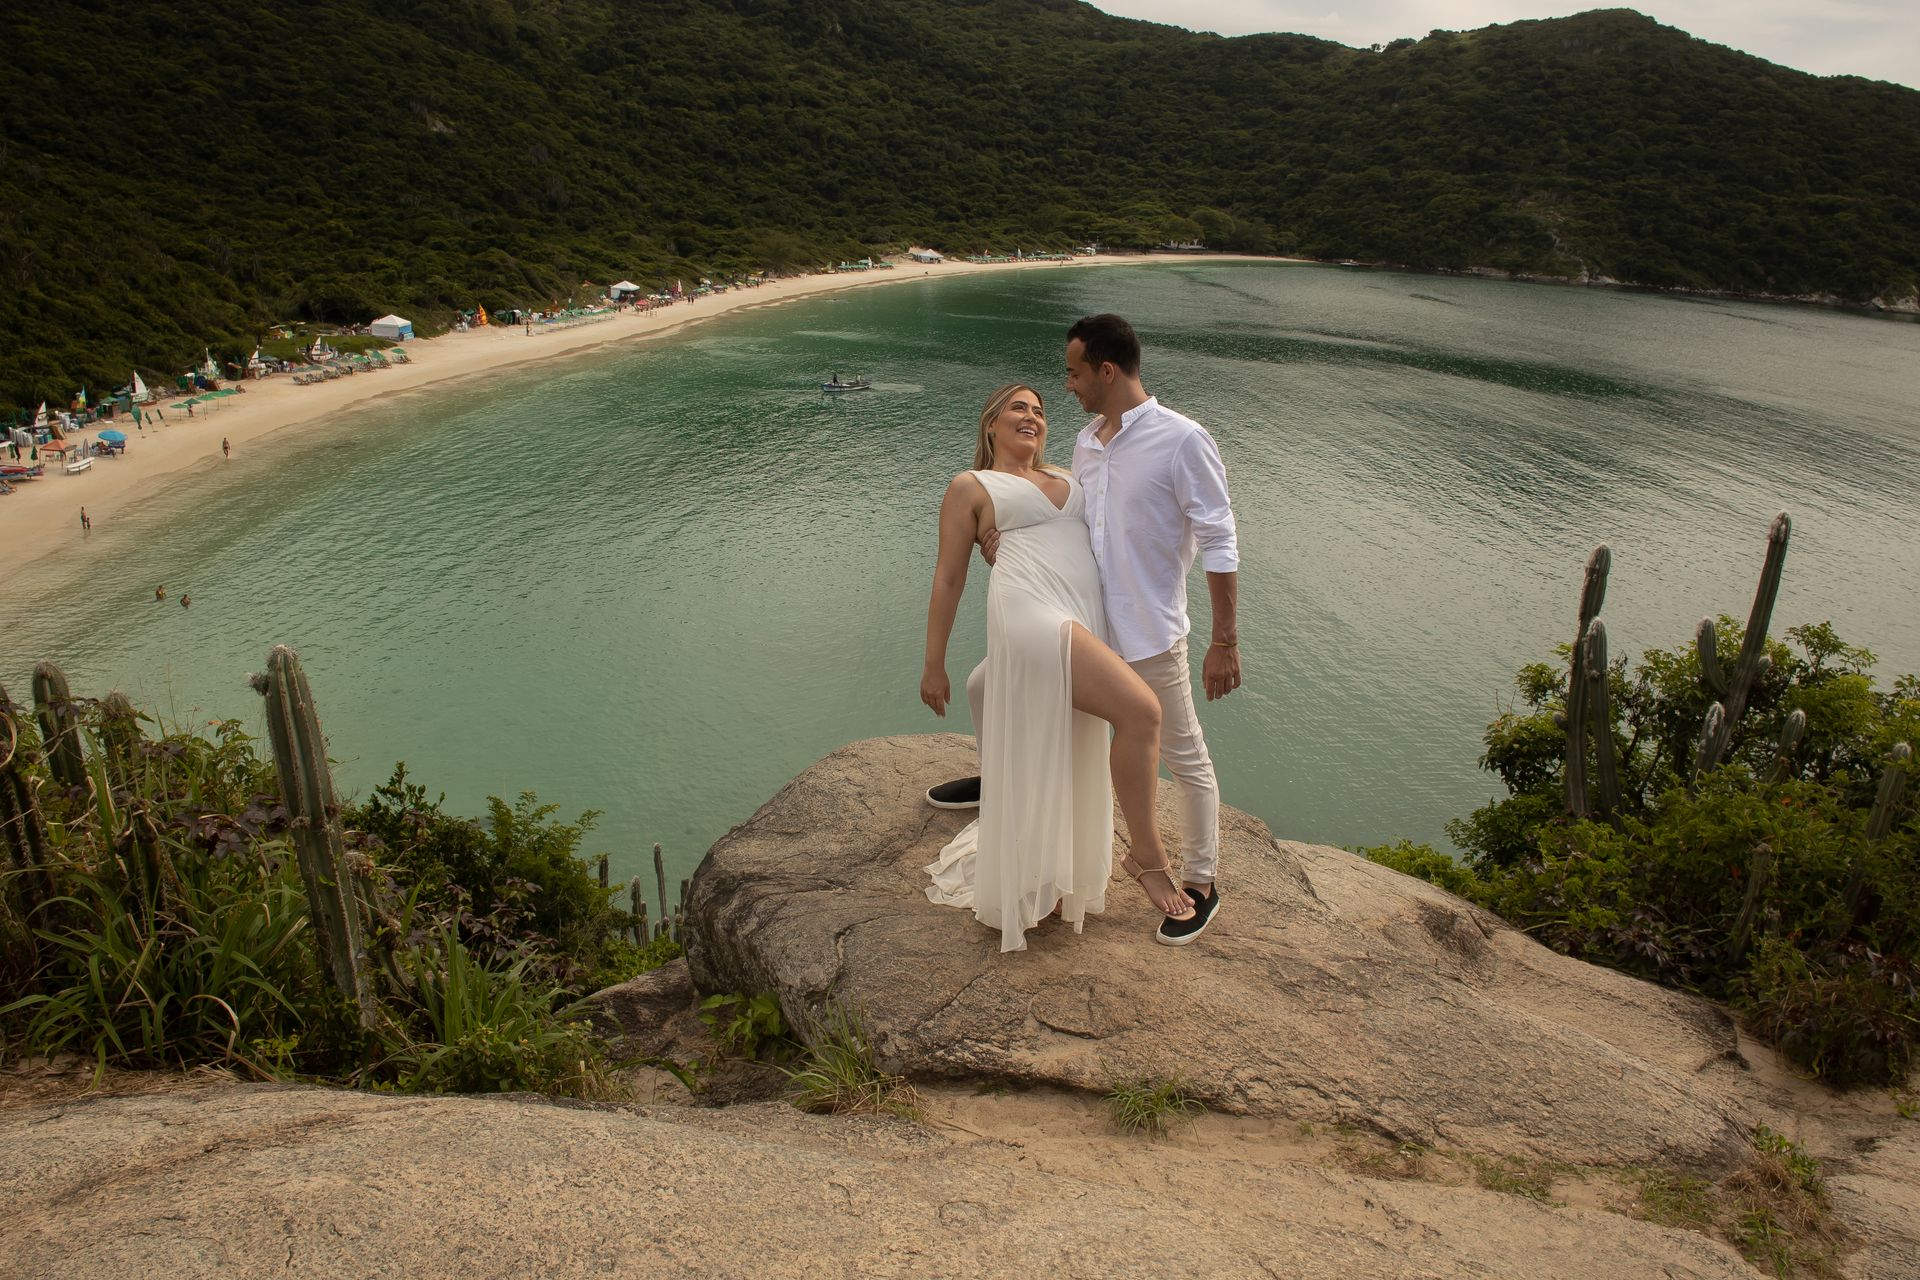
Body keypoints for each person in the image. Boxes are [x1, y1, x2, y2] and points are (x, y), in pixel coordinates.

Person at [930, 315, 1242, 946]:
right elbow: (1069, 529)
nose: (1063, 389)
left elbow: (1219, 536)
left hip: (1147, 630)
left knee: (1184, 756)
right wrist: (1003, 545)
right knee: (986, 684)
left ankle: (1201, 880)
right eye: (1024, 405)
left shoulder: (1182, 439)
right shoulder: (1086, 446)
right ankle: (1003, 777)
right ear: (991, 423)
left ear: (1105, 370)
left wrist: (1225, 638)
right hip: (1083, 618)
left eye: (1071, 375)